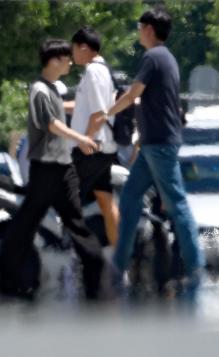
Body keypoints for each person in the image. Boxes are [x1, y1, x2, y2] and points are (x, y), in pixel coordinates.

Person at [101, 7, 203, 295]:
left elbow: (134, 93)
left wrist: (106, 113)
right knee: (131, 199)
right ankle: (119, 264)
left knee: (176, 204)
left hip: (159, 144)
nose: (137, 31)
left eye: (139, 26)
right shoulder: (166, 58)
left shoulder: (153, 57)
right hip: (151, 144)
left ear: (148, 29)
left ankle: (196, 265)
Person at [0, 39, 104, 300]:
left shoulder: (53, 90)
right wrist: (81, 139)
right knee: (26, 225)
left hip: (61, 168)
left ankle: (96, 277)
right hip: (46, 169)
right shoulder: (39, 90)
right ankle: (9, 276)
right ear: (54, 60)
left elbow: (65, 116)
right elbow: (52, 125)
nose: (70, 62)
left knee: (72, 224)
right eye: (66, 58)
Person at [69, 26, 120, 248]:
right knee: (105, 201)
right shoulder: (99, 71)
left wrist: (84, 141)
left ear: (83, 47)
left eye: (73, 49)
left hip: (92, 148)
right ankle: (119, 258)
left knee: (67, 199)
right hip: (102, 147)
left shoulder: (94, 72)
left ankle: (74, 257)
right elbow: (87, 108)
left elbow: (99, 113)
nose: (72, 55)